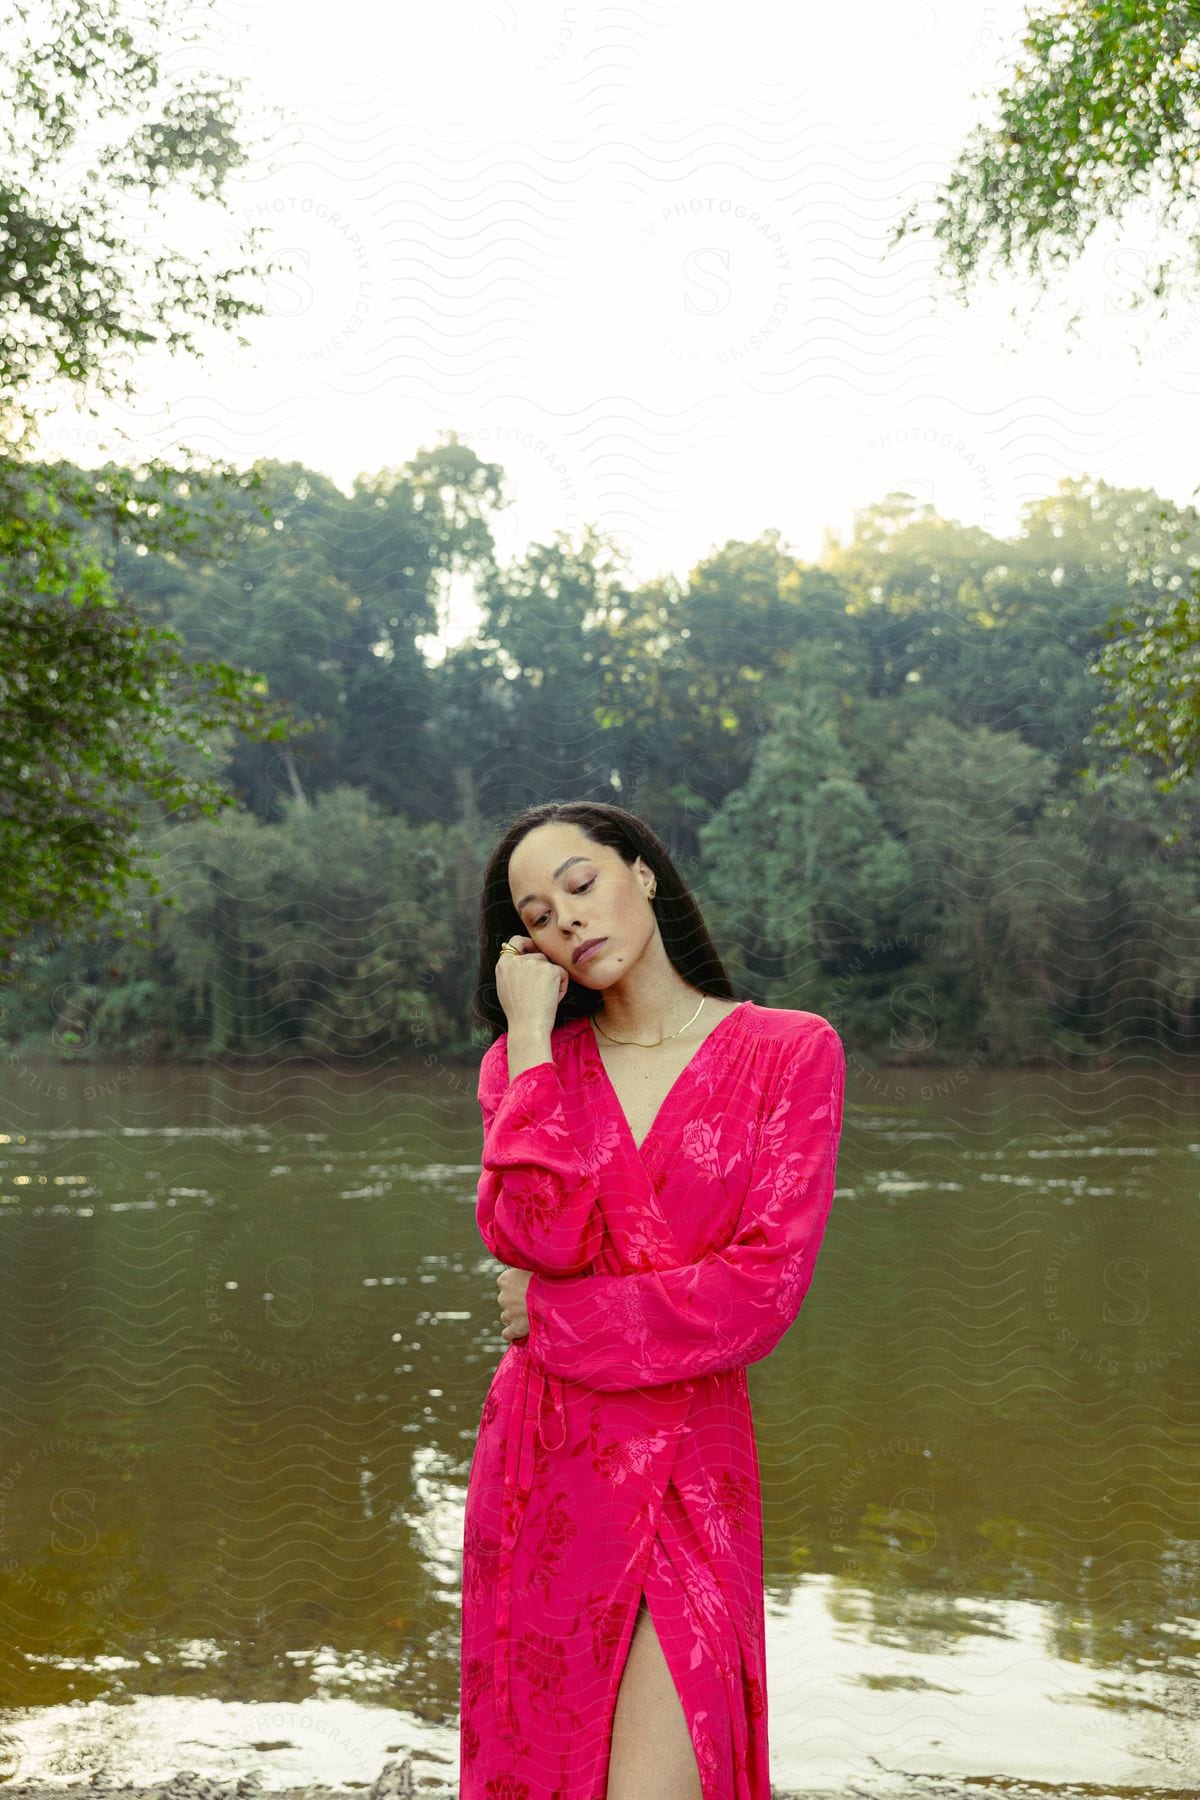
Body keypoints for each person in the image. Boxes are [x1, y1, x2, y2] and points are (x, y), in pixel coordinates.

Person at [459, 800, 847, 1800]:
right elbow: (536, 1235)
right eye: (538, 915)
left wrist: (553, 1317)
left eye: (581, 885)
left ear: (642, 873)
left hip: (690, 1460)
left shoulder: (788, 1052)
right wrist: (534, 1034)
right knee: (550, 1768)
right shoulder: (522, 1065)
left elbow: (761, 1293)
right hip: (547, 1461)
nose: (568, 922)